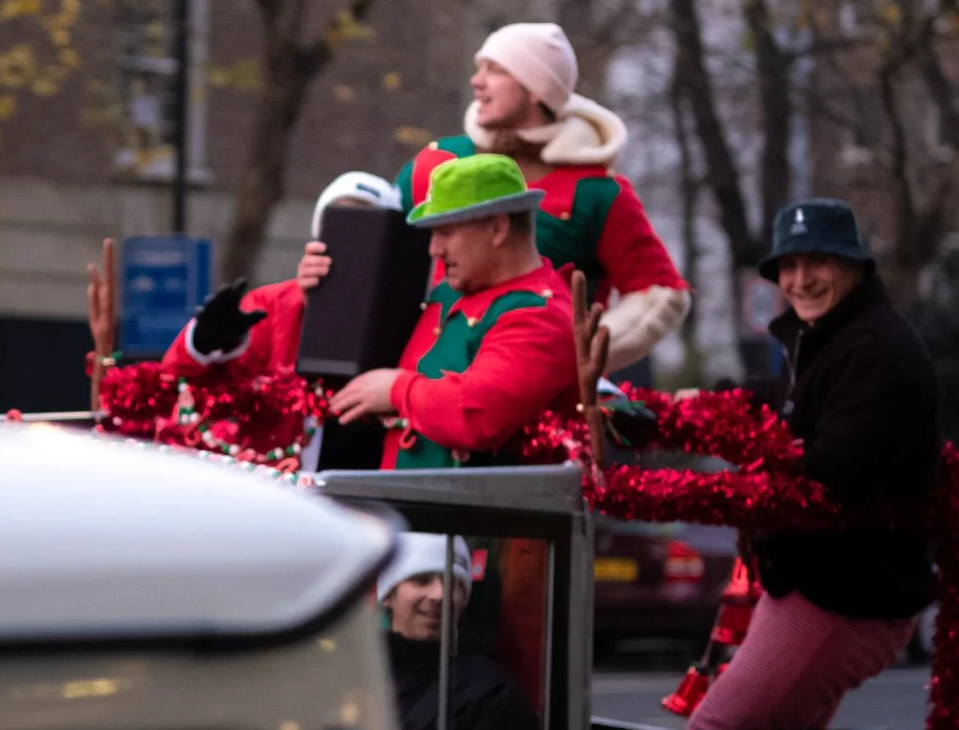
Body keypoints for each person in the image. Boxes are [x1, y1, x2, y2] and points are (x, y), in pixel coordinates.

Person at [686, 199, 940, 730]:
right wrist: (694, 406)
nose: (800, 281)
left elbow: (829, 473)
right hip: (825, 583)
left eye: (817, 262)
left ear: (854, 267)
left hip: (843, 590)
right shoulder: (826, 339)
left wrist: (729, 494)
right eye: (790, 266)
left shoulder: (875, 351)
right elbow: (782, 407)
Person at [393, 24, 690, 372]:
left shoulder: (596, 193)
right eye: (479, 68)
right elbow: (375, 253)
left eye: (496, 70)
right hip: (417, 382)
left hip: (534, 393)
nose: (477, 81)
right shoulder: (440, 163)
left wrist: (573, 358)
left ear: (535, 89)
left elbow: (660, 295)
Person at [328, 155, 579, 470]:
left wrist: (396, 390)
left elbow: (477, 414)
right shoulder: (453, 288)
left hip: (471, 502)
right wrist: (322, 283)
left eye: (446, 232)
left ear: (498, 228)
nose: (434, 249)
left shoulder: (541, 315)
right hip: (406, 493)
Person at [164, 172, 403, 376]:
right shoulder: (270, 305)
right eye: (339, 226)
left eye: (365, 230)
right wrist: (202, 345)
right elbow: (177, 381)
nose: (350, 244)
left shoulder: (407, 312)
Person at [377, 533, 533, 730]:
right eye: (421, 580)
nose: (439, 595)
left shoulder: (491, 694)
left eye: (453, 583)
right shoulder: (356, 670)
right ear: (388, 594)